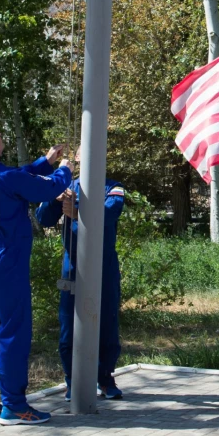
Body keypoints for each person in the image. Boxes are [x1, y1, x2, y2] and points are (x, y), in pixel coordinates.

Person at [0, 121, 73, 426]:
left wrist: (45, 161)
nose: (0, 135)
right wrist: (64, 168)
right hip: (6, 261)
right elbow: (47, 188)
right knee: (14, 332)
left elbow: (17, 177)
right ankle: (14, 406)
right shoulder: (6, 178)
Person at [34, 171, 126, 401]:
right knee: (69, 323)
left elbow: (108, 215)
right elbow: (43, 218)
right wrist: (53, 198)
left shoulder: (113, 187)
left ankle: (104, 377)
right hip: (74, 263)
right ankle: (72, 379)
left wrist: (78, 213)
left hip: (104, 263)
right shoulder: (66, 187)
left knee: (106, 320)